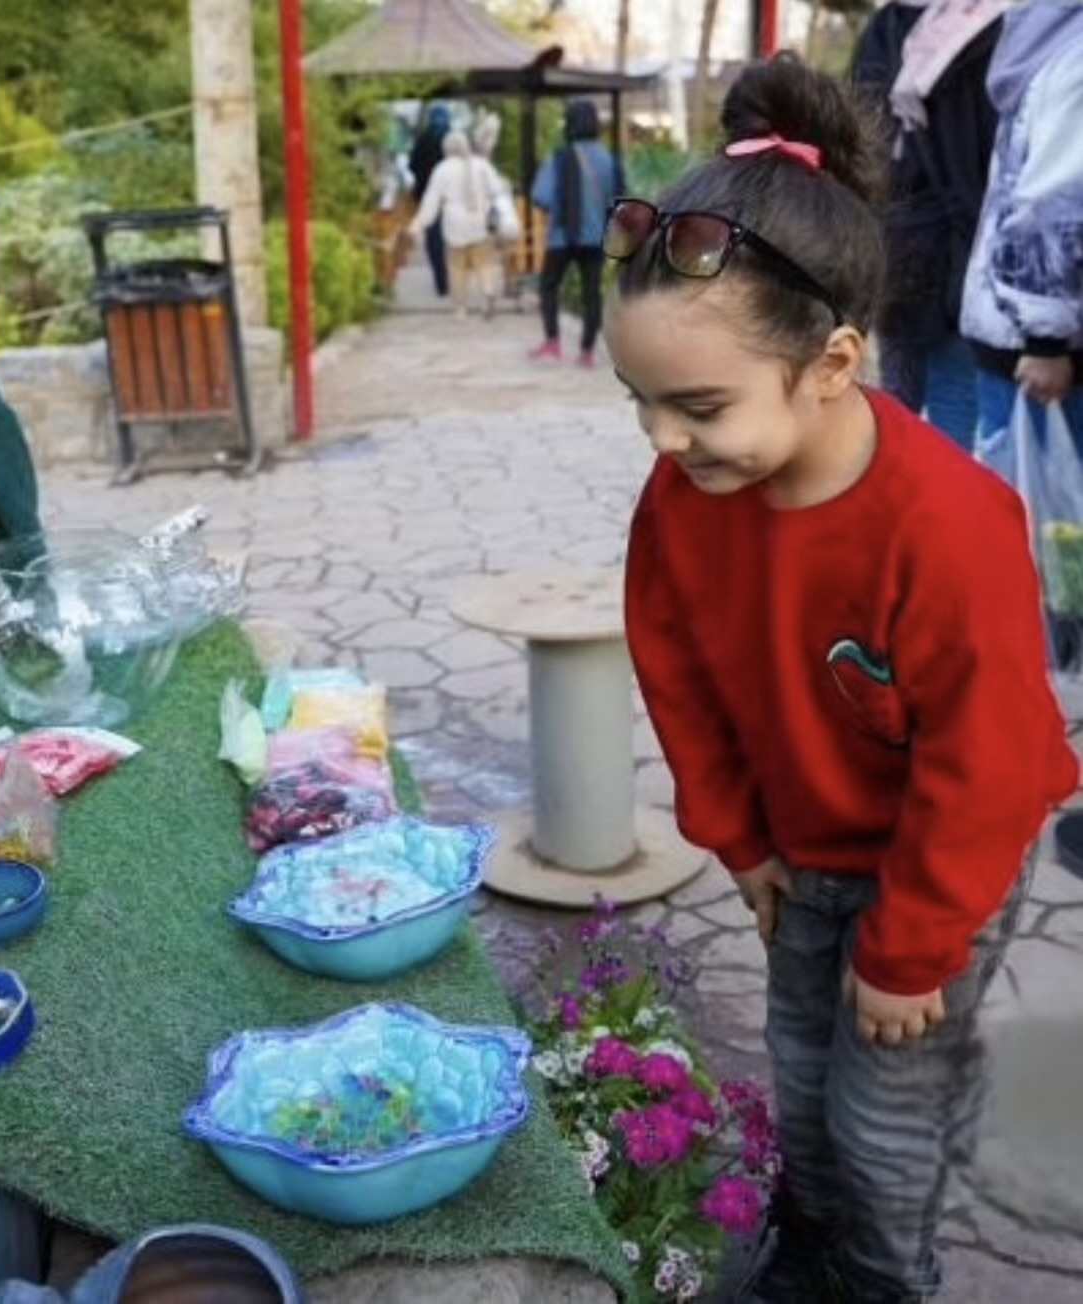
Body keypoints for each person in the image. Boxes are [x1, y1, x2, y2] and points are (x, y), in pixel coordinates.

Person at [605, 54, 1077, 1304]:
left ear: (834, 362)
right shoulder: (686, 492)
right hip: (802, 847)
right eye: (641, 402)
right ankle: (807, 1251)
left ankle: (881, 1277)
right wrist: (739, 835)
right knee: (804, 1078)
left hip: (940, 862)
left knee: (883, 1117)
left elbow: (986, 764)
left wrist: (913, 948)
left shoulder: (951, 523)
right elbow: (674, 667)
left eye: (698, 405)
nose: (664, 440)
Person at [850, 0, 1004, 449]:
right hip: (932, 243)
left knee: (913, 398)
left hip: (915, 241)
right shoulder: (982, 25)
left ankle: (907, 484)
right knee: (934, 399)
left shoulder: (893, 28)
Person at [959, 2, 1083, 453]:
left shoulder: (1052, 37)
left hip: (1021, 326)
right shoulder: (1076, 58)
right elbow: (1052, 203)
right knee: (1037, 492)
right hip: (1046, 346)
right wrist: (1046, 340)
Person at [529, 99, 623, 368]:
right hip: (596, 238)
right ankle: (587, 352)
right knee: (591, 293)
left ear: (569, 124)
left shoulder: (560, 159)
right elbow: (619, 200)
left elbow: (540, 196)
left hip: (561, 237)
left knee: (549, 286)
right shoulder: (608, 160)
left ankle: (552, 343)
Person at [408, 131, 508, 320]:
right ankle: (488, 291)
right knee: (484, 264)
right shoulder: (482, 165)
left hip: (455, 228)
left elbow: (431, 202)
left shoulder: (442, 169)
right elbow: (497, 190)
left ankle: (461, 309)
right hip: (480, 224)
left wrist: (418, 223)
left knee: (457, 269)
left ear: (446, 149)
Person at [407, 103, 453, 299]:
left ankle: (441, 282)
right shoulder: (453, 139)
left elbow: (411, 165)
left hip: (427, 196)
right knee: (455, 237)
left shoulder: (423, 139)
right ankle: (456, 276)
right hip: (451, 198)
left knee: (434, 239)